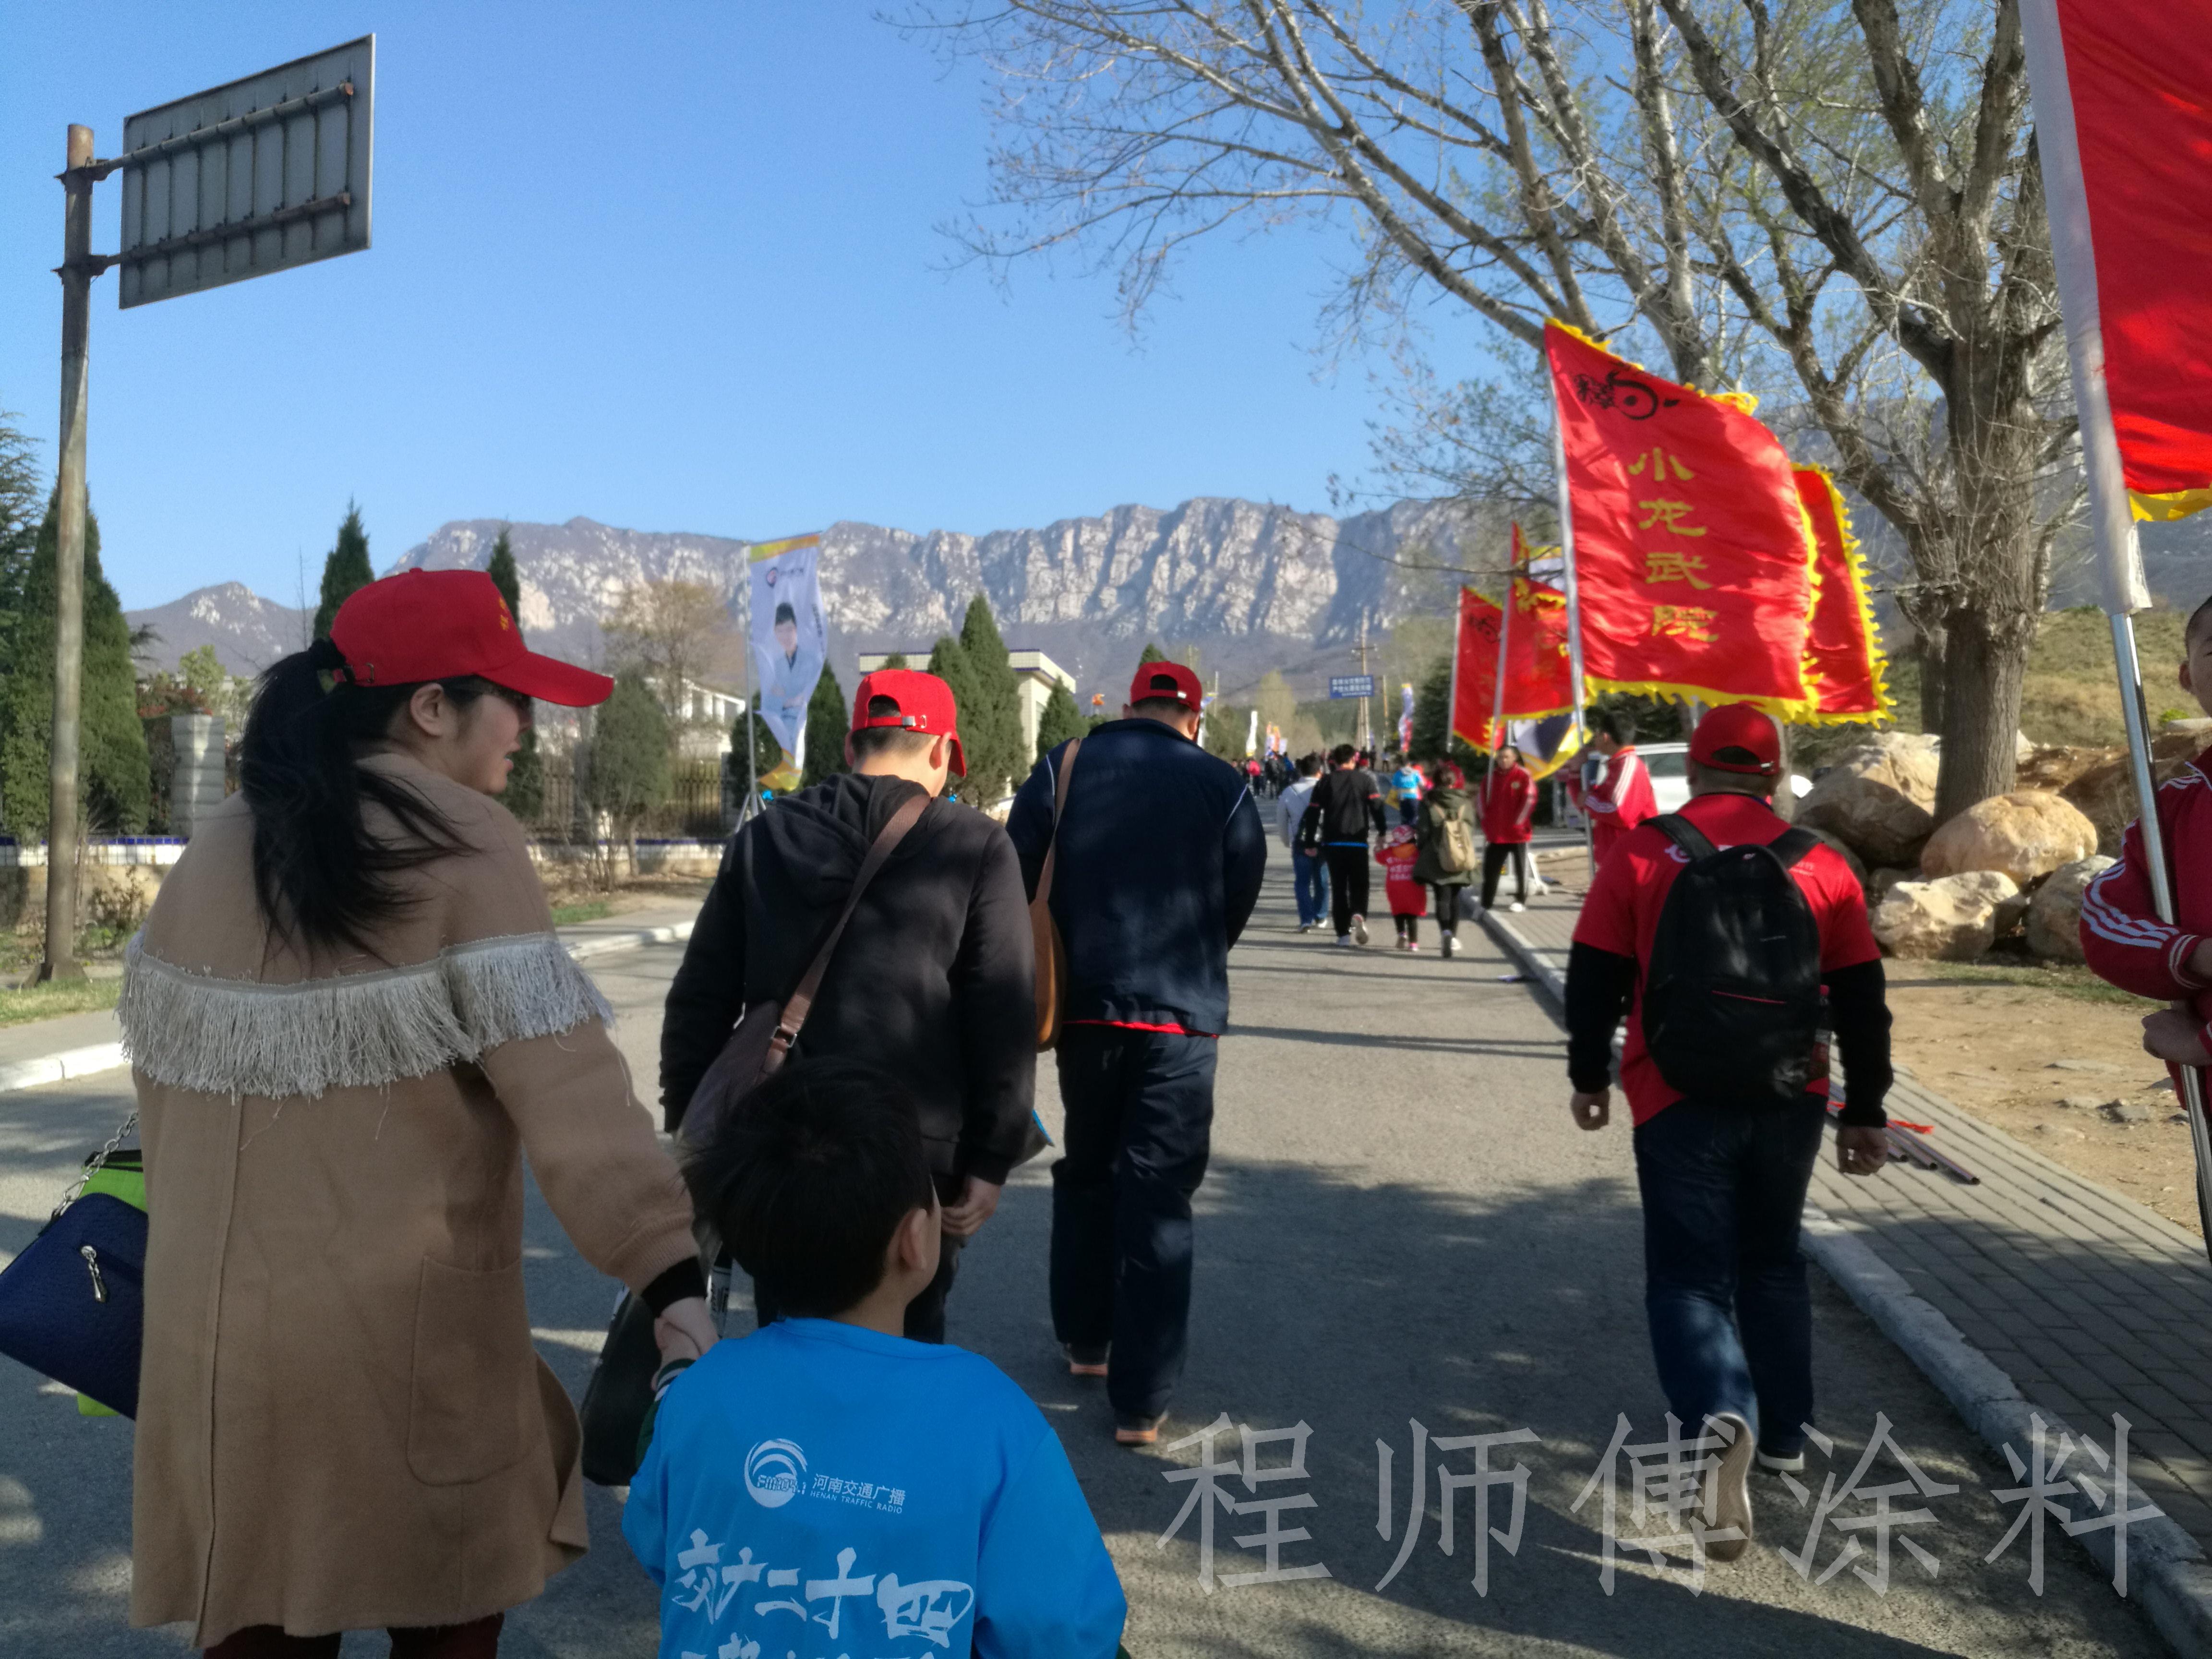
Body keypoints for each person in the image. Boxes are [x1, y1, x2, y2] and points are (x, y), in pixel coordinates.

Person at [118, 570, 716, 1657]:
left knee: (257, 1617)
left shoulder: (216, 846)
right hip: (405, 1357)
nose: (529, 730)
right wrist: (672, 1279)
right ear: (430, 706)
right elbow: (575, 1098)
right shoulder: (464, 843)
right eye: (514, 698)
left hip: (217, 1361)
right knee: (442, 1609)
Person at [627, 1059, 1127, 1659]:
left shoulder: (702, 1393)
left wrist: (681, 1371)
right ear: (915, 1239)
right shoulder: (991, 1418)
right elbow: (1065, 1633)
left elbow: (661, 1545)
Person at [1562, 702, 1892, 1563]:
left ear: (1695, 770)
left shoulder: (1640, 851)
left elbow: (1593, 976)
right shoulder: (1823, 864)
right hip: (1789, 1095)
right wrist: (1865, 1111)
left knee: (1687, 1279)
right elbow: (1860, 999)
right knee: (1773, 1259)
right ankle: (1780, 1434)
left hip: (1671, 1093)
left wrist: (1588, 1077)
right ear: (1774, 774)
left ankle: (1717, 1414)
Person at [661, 668, 1037, 1343]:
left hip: (783, 1146)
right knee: (907, 1346)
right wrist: (991, 1158)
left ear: (849, 747)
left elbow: (700, 999)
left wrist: (695, 1132)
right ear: (943, 752)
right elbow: (1002, 1013)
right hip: (918, 1158)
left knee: (792, 1334)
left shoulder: (764, 838)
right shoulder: (975, 846)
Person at [1007, 659, 1267, 1445]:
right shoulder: (1223, 784)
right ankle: (1141, 1402)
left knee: (1087, 1172)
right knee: (1158, 1195)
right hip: (1180, 1021)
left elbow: (1014, 868)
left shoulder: (1066, 764)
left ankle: (1087, 1342)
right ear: (1193, 716)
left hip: (1083, 1012)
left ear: (1127, 707)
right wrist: (1194, 952)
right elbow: (1241, 886)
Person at [2083, 594, 2212, 1091]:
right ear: (2187, 677)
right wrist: (2194, 956)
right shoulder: (2175, 810)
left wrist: (2203, 1045)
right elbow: (2106, 919)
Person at [1298, 744, 1388, 947]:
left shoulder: (1325, 782)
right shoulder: (1365, 780)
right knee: (1360, 884)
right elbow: (1376, 807)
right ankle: (1359, 913)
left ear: (1334, 762)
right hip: (1358, 842)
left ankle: (1343, 935)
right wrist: (1382, 832)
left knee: (1339, 888)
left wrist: (1310, 842)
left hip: (1333, 843)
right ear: (1353, 760)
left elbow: (1312, 814)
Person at [1412, 761, 1479, 957]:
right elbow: (1471, 828)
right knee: (1455, 898)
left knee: (1442, 897)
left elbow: (1423, 831)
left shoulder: (1429, 803)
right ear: (1454, 783)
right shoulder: (1466, 803)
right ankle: (1455, 937)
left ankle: (1445, 931)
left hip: (1436, 857)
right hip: (1461, 856)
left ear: (1434, 783)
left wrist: (1422, 848)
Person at [1582, 709, 1656, 869]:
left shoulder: (1629, 764)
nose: (1595, 739)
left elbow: (1619, 813)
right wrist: (1575, 774)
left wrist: (1588, 800)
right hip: (1616, 856)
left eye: (1596, 735)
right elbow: (1592, 805)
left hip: (1631, 858)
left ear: (1605, 737)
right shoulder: (1616, 766)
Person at [1479, 745, 1537, 914]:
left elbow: (1529, 800)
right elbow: (1481, 802)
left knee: (1521, 868)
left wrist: (1519, 823)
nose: (1503, 760)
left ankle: (1520, 899)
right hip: (1496, 834)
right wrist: (1486, 822)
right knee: (1491, 870)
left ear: (1515, 758)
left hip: (1517, 833)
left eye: (1507, 757)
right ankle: (1486, 903)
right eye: (1500, 757)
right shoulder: (1490, 777)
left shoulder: (1523, 776)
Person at [1276, 752, 1330, 932]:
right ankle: (1321, 916)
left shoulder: (1289, 792)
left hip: (1299, 843)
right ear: (1319, 771)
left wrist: (1286, 841)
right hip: (1323, 842)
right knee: (1322, 880)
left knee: (1302, 882)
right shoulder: (1326, 789)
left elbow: (1282, 820)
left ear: (1300, 771)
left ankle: (1306, 919)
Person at [1377, 821, 1427, 950]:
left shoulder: (1390, 852)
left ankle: (1401, 933)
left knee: (1398, 912)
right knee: (1412, 916)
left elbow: (1379, 858)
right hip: (1414, 888)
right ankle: (1413, 944)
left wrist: (1378, 847)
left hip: (1394, 888)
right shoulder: (1417, 853)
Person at [1390, 755, 1425, 825]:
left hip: (1403, 799)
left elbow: (1394, 788)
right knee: (1414, 818)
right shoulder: (1415, 773)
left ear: (1401, 764)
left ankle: (1405, 834)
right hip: (1414, 798)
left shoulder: (1398, 774)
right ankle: (1413, 833)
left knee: (1405, 819)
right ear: (1409, 764)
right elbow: (1422, 786)